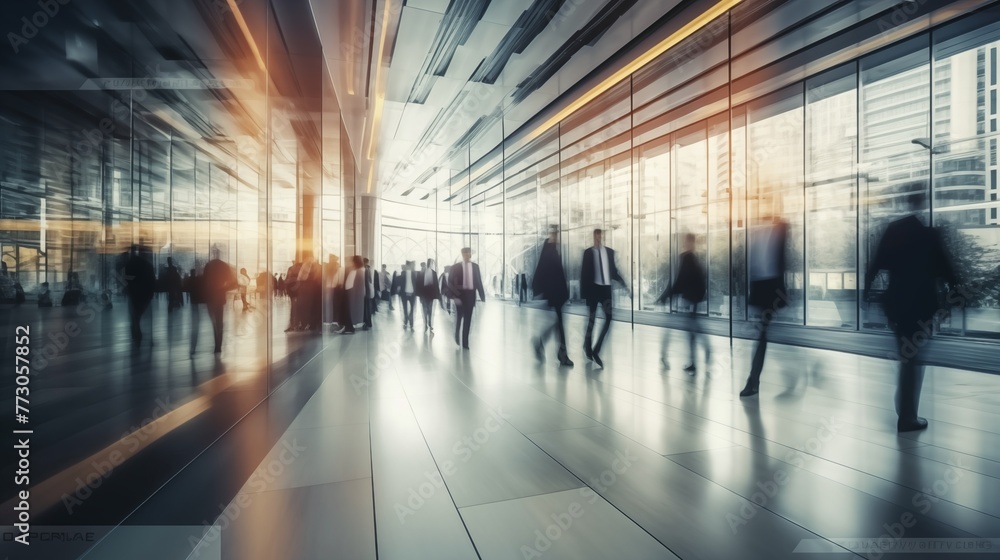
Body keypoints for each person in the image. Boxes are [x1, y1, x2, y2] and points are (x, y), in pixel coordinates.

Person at [864, 192, 958, 432]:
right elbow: (947, 268)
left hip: (896, 304)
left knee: (908, 353)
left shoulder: (893, 231)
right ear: (922, 204)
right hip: (922, 305)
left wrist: (866, 291)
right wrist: (958, 293)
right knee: (913, 357)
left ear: (907, 203)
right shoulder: (929, 235)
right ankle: (907, 416)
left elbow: (875, 263)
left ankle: (905, 409)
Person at [739, 213, 789, 397]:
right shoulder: (756, 230)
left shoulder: (780, 227)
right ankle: (754, 381)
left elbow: (781, 261)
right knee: (763, 335)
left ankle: (753, 381)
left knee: (762, 335)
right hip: (761, 289)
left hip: (772, 289)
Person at [657, 233, 709, 373]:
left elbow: (680, 280)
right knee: (692, 331)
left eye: (687, 242)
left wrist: (666, 295)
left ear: (691, 243)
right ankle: (696, 359)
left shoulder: (688, 258)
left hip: (690, 301)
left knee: (691, 329)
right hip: (691, 300)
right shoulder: (692, 258)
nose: (685, 244)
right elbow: (684, 281)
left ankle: (705, 352)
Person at [580, 228, 629, 367]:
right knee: (591, 320)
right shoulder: (588, 253)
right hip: (593, 290)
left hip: (605, 291)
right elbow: (584, 275)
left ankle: (596, 350)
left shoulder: (609, 252)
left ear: (602, 237)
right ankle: (588, 347)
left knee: (608, 319)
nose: (598, 239)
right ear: (593, 237)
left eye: (600, 237)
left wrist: (625, 285)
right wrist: (585, 296)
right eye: (596, 237)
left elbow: (613, 271)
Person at [531, 226, 574, 366]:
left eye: (556, 234)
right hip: (554, 293)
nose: (556, 236)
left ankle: (541, 344)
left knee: (558, 324)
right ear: (551, 234)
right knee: (559, 325)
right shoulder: (549, 249)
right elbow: (544, 270)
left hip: (557, 293)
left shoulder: (553, 249)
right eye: (554, 234)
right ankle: (561, 355)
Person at [202, 247, 237, 353]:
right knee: (219, 321)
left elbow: (204, 281)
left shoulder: (209, 265)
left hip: (211, 296)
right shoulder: (223, 266)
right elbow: (232, 282)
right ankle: (218, 345)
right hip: (219, 297)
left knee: (215, 322)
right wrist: (222, 289)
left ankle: (217, 344)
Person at [449, 248, 485, 349]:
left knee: (468, 319)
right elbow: (450, 282)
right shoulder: (456, 267)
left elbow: (478, 281)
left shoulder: (475, 267)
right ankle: (457, 336)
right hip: (459, 295)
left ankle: (465, 342)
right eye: (464, 253)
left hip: (470, 295)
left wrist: (482, 295)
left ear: (470, 255)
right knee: (459, 317)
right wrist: (453, 296)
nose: (466, 255)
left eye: (468, 253)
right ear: (462, 254)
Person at [123, 246, 156, 346]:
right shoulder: (147, 265)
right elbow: (152, 281)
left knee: (135, 316)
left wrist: (129, 287)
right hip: (144, 295)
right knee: (137, 316)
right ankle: (139, 335)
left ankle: (136, 335)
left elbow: (128, 279)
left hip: (135, 294)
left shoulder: (130, 264)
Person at [418, 258, 440, 332]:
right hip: (424, 294)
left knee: (429, 309)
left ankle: (429, 323)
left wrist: (437, 295)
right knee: (425, 309)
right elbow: (419, 285)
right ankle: (426, 323)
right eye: (431, 263)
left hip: (430, 295)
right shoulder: (422, 272)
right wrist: (420, 295)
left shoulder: (434, 273)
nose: (431, 264)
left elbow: (436, 285)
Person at [284, 260, 302, 331]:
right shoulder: (296, 269)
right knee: (295, 308)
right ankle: (296, 324)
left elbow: (287, 280)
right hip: (295, 292)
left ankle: (294, 325)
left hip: (294, 292)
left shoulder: (292, 269)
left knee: (294, 309)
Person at [399, 261, 417, 330]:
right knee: (405, 309)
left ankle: (411, 324)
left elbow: (416, 283)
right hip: (404, 294)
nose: (408, 267)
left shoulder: (414, 273)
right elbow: (401, 283)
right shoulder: (403, 273)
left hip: (412, 294)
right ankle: (406, 323)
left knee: (412, 309)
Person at [363, 258, 375, 329]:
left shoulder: (366, 270)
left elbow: (367, 281)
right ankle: (369, 323)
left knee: (366, 308)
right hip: (369, 291)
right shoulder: (370, 269)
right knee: (368, 308)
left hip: (366, 291)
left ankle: (367, 323)